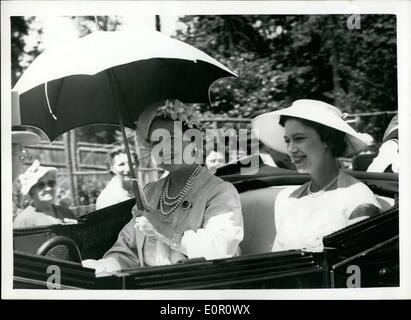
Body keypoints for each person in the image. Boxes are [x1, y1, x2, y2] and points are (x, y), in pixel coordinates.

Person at [82, 100, 244, 273]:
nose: (164, 147)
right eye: (156, 142)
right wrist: (104, 266)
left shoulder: (219, 192)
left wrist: (164, 230)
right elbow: (128, 251)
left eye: (172, 138)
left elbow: (220, 250)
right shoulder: (150, 193)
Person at [252, 99, 381, 252]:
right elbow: (276, 260)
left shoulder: (358, 199)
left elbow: (356, 267)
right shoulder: (291, 198)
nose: (291, 149)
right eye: (287, 141)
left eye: (299, 139)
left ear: (327, 140)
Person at [13, 160, 76, 228]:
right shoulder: (24, 220)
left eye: (51, 183)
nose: (48, 188)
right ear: (31, 191)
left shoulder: (66, 213)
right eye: (41, 185)